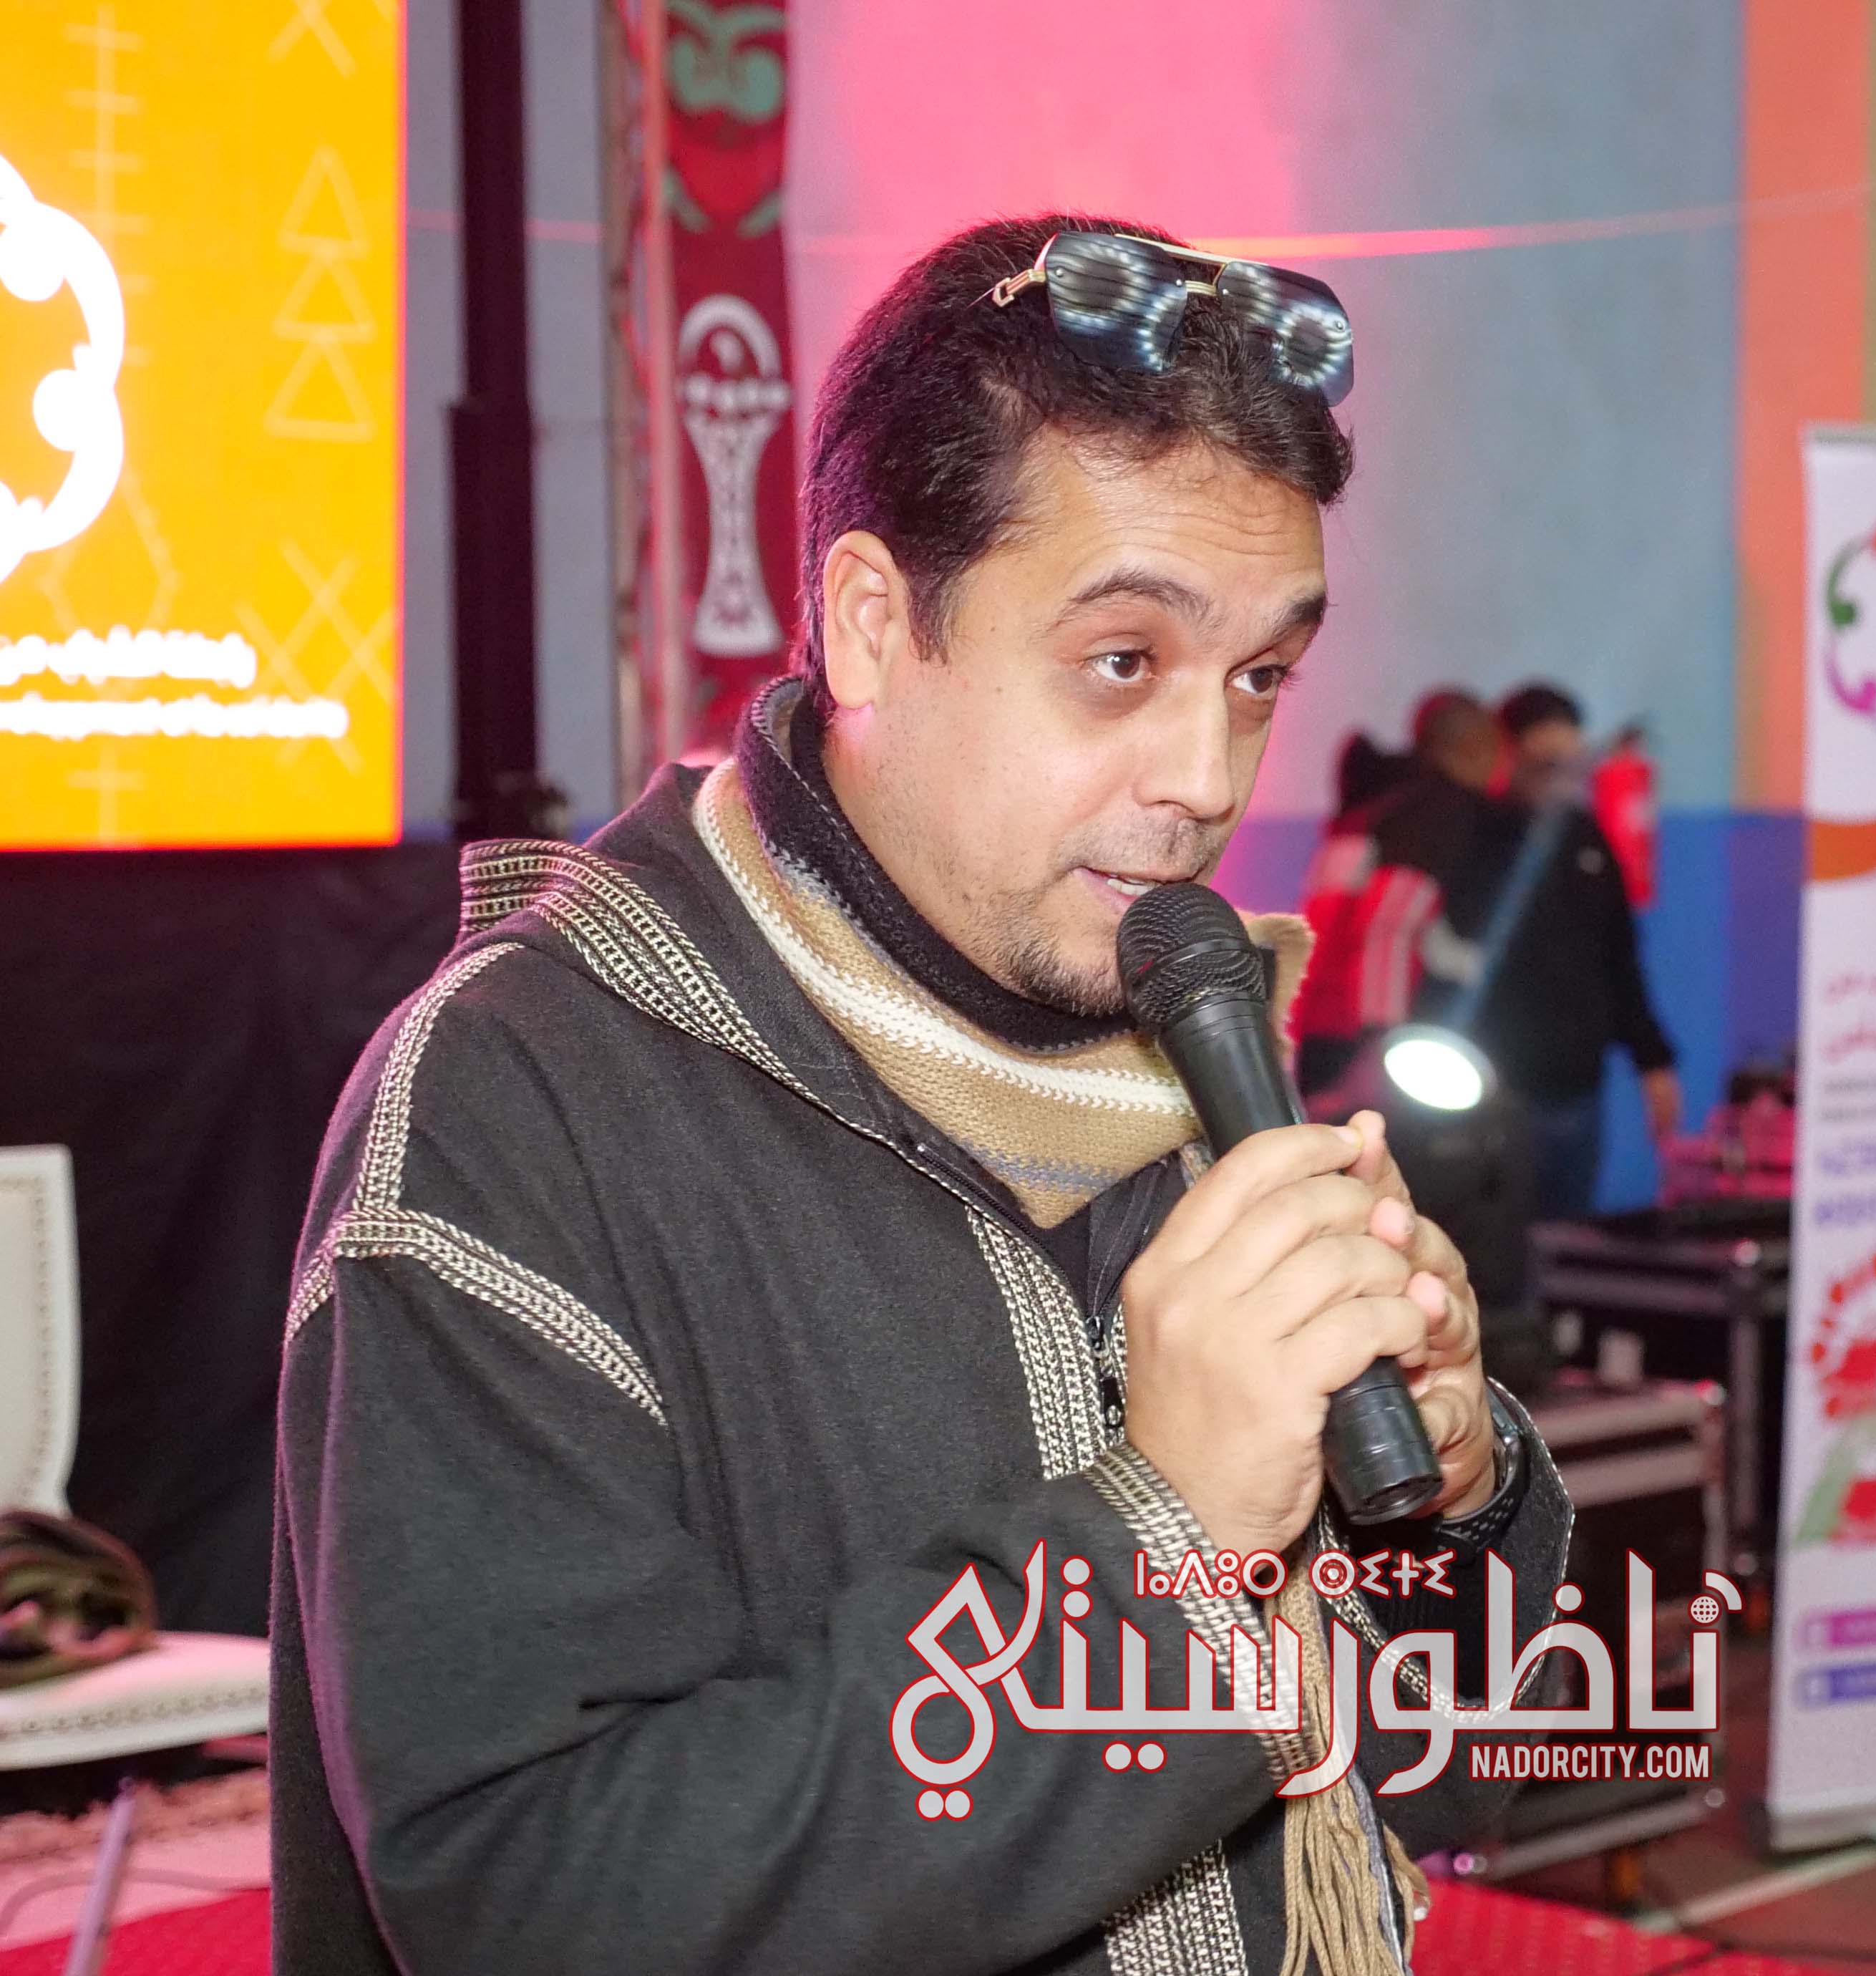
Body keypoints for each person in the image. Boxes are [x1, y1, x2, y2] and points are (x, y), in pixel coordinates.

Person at [271, 213, 1570, 1976]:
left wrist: (1458, 1497)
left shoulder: (1207, 1067)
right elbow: (528, 1905)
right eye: (1123, 661)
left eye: (1259, 674)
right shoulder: (522, 1102)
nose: (1205, 777)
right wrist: (1169, 1543)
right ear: (874, 625)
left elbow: (1447, 1773)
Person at [1472, 682, 1680, 1219]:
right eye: (1545, 763)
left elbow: (1620, 958)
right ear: (1511, 755)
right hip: (1498, 1093)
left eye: (1570, 763)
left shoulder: (1587, 838)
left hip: (1579, 1093)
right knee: (1497, 1243)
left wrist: (1654, 1062)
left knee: (1568, 1239)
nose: (1560, 778)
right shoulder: (1480, 837)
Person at [1294, 689, 1520, 1098]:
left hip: (1319, 1024)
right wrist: (1382, 1042)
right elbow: (1389, 925)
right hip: (1366, 1042)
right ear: (1475, 747)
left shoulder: (1373, 804)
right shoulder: (1437, 809)